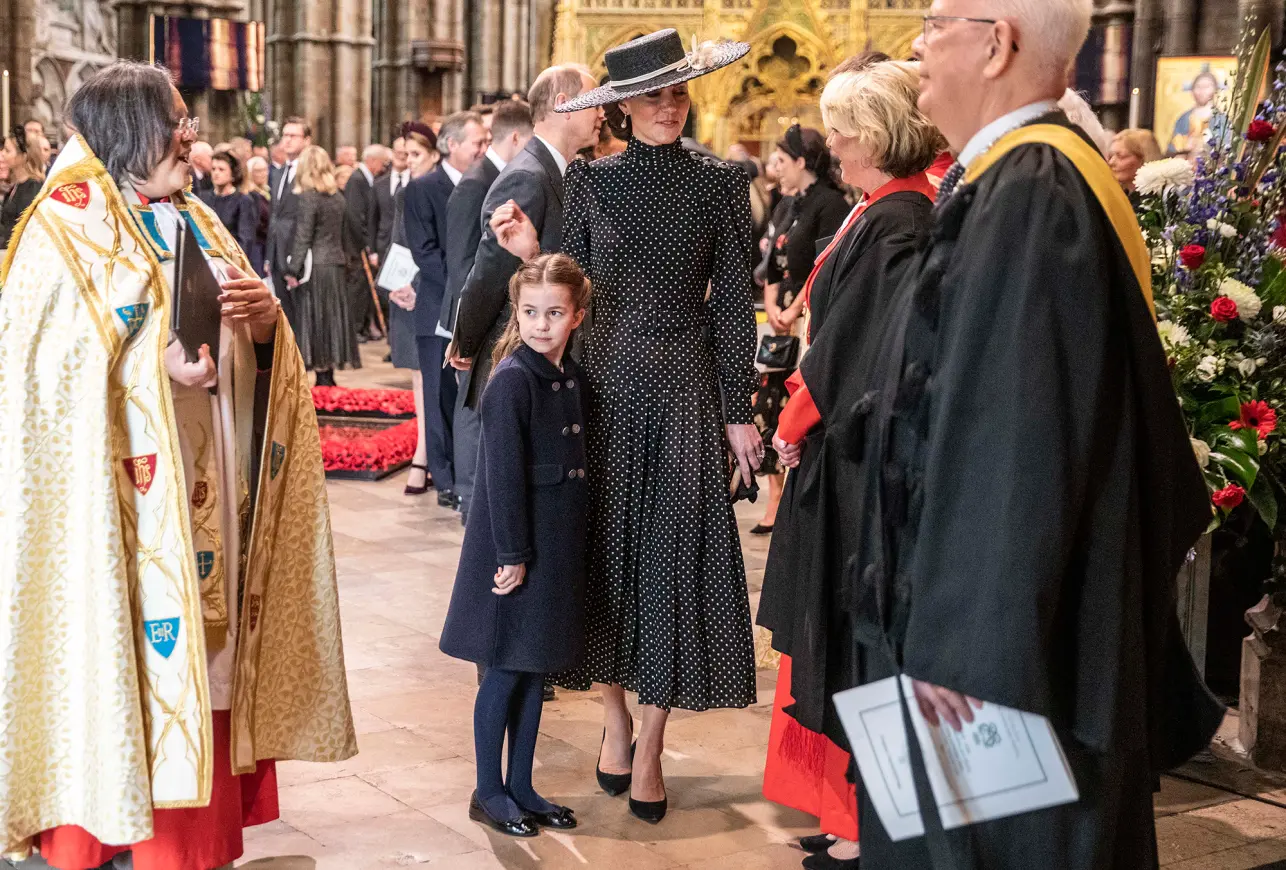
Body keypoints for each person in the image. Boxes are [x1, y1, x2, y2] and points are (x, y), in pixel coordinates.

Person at [842, 2, 1224, 866]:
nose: (917, 46)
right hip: (994, 649)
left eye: (934, 24)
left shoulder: (1033, 196)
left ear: (997, 44)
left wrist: (960, 664)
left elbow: (1012, 451)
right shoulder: (1019, 181)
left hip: (994, 678)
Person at [0, 61, 355, 870]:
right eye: (176, 122)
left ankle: (190, 842)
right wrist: (148, 366)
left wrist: (263, 327)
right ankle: (105, 829)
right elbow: (38, 375)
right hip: (117, 515)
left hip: (208, 495)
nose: (191, 138)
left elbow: (254, 338)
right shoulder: (62, 228)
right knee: (121, 657)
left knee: (205, 654)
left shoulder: (195, 215)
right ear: (128, 131)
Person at [490, 29, 762, 824]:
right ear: (623, 107)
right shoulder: (588, 181)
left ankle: (651, 742)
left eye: (678, 93)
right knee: (604, 558)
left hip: (684, 390)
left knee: (672, 559)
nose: (669, 107)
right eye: (654, 96)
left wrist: (738, 410)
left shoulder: (721, 182)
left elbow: (733, 306)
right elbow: (568, 291)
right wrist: (531, 256)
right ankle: (613, 716)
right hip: (601, 389)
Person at [758, 59, 941, 870]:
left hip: (856, 458)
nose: (829, 145)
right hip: (843, 451)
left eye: (838, 131)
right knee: (830, 632)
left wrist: (795, 418)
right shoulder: (882, 209)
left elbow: (853, 346)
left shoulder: (900, 218)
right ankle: (843, 811)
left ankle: (863, 822)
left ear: (872, 136)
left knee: (851, 635)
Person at [439, 253, 590, 838]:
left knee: (532, 669)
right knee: (503, 671)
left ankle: (522, 785)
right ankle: (488, 791)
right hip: (515, 551)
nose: (540, 324)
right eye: (530, 312)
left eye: (554, 313)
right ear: (516, 313)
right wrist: (512, 556)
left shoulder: (567, 375)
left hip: (551, 547)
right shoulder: (512, 381)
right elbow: (501, 478)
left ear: (576, 316)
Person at [452, 64, 603, 431]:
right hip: (521, 350)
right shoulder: (527, 176)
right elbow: (490, 270)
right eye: (594, 102)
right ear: (564, 104)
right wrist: (467, 342)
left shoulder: (563, 168)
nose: (602, 113)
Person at [754, 125, 849, 536]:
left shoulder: (830, 203)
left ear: (801, 161)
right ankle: (774, 493)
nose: (777, 168)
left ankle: (788, 495)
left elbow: (823, 265)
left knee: (798, 401)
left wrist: (794, 309)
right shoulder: (786, 204)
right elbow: (772, 265)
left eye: (782, 160)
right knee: (769, 403)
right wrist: (773, 303)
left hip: (807, 312)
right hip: (781, 314)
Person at [443, 99, 534, 520]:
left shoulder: (497, 175)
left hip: (487, 310)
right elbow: (464, 261)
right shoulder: (477, 182)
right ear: (517, 137)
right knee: (471, 404)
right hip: (474, 311)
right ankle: (468, 495)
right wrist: (465, 330)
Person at [407, 111, 488, 509]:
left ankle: (467, 472)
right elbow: (424, 252)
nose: (483, 149)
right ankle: (444, 478)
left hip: (472, 304)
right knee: (438, 394)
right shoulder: (423, 188)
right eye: (477, 142)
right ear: (452, 144)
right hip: (437, 304)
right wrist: (465, 284)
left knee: (467, 393)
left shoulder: (485, 182)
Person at [389, 122, 439, 494]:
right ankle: (424, 451)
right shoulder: (405, 191)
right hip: (405, 289)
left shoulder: (444, 190)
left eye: (417, 155)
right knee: (418, 376)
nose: (410, 161)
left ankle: (432, 454)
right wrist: (395, 283)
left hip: (431, 290)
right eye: (406, 155)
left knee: (438, 376)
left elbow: (441, 250)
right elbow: (398, 242)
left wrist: (418, 285)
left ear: (435, 154)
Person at [284, 145, 361, 385]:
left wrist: (292, 269)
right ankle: (328, 376)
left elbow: (303, 237)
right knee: (331, 320)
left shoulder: (309, 198)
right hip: (335, 265)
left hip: (315, 268)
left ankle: (321, 376)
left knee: (316, 320)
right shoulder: (337, 197)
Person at [267, 116, 312, 326]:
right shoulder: (278, 173)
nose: (287, 140)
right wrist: (269, 255)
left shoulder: (309, 173)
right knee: (284, 313)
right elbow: (274, 216)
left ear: (307, 140)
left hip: (297, 253)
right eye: (285, 135)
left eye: (293, 135)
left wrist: (297, 261)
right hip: (277, 251)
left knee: (301, 314)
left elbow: (306, 219)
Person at [345, 144, 390, 340]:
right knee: (358, 288)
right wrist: (366, 243)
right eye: (382, 163)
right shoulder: (357, 180)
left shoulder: (367, 179)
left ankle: (363, 326)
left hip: (362, 242)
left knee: (364, 289)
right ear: (372, 160)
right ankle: (355, 328)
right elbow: (355, 215)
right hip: (357, 245)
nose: (384, 167)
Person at [200, 149, 261, 270]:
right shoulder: (203, 198)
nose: (216, 173)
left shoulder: (243, 201)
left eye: (221, 169)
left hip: (232, 265)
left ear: (233, 174)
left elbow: (246, 240)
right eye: (213, 169)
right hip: (205, 263)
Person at [0, 129, 45, 250]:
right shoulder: (16, 185)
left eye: (7, 151)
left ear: (23, 156)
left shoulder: (32, 188)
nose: (2, 154)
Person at [1109, 127, 1163, 198]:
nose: (1111, 162)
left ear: (1143, 159)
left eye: (1121, 156)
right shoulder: (1117, 197)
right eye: (1111, 156)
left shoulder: (1156, 201)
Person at [246, 154, 272, 274]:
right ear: (250, 173)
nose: (263, 173)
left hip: (268, 244)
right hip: (257, 246)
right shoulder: (250, 194)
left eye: (265, 170)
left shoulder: (268, 191)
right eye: (258, 171)